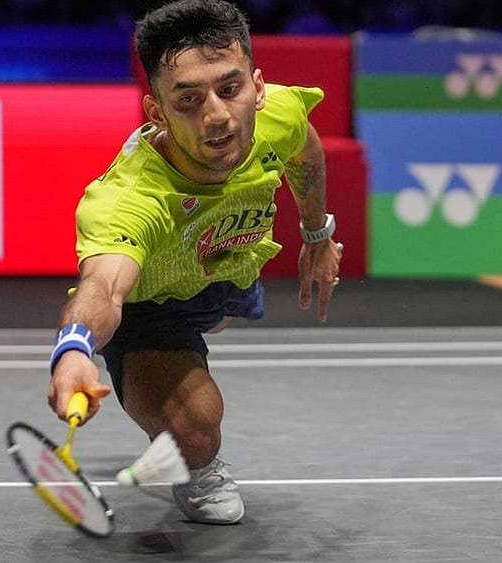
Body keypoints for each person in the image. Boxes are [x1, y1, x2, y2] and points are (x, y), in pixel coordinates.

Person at [46, 0, 342, 525]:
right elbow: (104, 287)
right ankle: (198, 468)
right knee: (197, 428)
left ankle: (211, 320)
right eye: (188, 99)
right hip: (152, 303)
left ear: (257, 85)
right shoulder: (130, 199)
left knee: (223, 307)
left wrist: (316, 233)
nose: (218, 115)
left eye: (230, 89)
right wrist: (74, 350)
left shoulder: (276, 114)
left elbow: (304, 147)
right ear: (156, 111)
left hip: (227, 265)